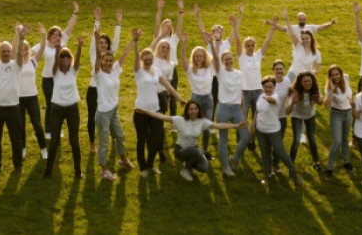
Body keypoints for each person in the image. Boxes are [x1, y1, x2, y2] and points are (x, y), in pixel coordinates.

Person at [137, 101, 246, 181]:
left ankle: (188, 165)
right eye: (191, 109)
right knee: (198, 152)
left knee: (204, 167)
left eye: (195, 109)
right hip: (180, 150)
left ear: (198, 110)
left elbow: (218, 125)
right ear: (187, 111)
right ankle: (185, 169)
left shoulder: (202, 121)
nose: (193, 111)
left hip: (193, 150)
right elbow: (161, 117)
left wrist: (236, 125)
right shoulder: (180, 120)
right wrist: (145, 111)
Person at [133, 33, 185, 177]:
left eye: (151, 60)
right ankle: (143, 168)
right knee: (142, 140)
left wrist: (180, 99)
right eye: (146, 59)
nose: (149, 61)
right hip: (141, 111)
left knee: (157, 138)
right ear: (142, 59)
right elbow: (136, 58)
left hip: (156, 111)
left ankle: (150, 165)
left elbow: (169, 86)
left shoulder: (156, 71)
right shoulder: (138, 72)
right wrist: (136, 41)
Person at [90, 19, 136, 181]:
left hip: (113, 110)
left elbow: (124, 54)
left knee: (120, 136)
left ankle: (123, 161)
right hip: (103, 114)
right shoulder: (98, 74)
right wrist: (96, 39)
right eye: (106, 61)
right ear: (102, 61)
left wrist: (133, 39)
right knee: (103, 142)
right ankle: (104, 170)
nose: (108, 63)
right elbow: (96, 58)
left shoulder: (115, 69)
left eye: (110, 60)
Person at [0, 16, 26, 175]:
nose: (6, 53)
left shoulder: (16, 65)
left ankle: (18, 166)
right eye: (3, 51)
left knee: (16, 139)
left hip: (13, 108)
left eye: (8, 51)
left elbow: (20, 53)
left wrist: (21, 37)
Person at [33, 2, 80, 138]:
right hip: (48, 80)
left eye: (58, 35)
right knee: (51, 105)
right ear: (49, 37)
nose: (56, 37)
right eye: (53, 35)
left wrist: (75, 12)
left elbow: (70, 27)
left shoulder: (63, 41)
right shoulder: (43, 46)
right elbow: (29, 53)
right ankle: (48, 130)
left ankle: (57, 129)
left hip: (61, 79)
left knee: (58, 105)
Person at [43, 33, 85, 179]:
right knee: (54, 141)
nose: (65, 59)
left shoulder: (73, 71)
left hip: (73, 109)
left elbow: (78, 60)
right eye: (62, 57)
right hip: (57, 110)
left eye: (67, 56)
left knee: (74, 141)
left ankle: (78, 171)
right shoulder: (55, 72)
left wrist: (79, 48)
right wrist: (58, 49)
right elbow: (55, 61)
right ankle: (48, 170)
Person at [210, 32, 252, 177]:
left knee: (246, 138)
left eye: (230, 59)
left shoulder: (239, 73)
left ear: (233, 60)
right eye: (225, 60)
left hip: (237, 109)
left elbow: (242, 94)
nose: (228, 61)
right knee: (224, 139)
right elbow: (215, 58)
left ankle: (234, 158)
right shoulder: (220, 72)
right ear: (222, 62)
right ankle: (225, 167)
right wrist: (212, 43)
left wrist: (243, 111)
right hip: (223, 109)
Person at [235, 11, 278, 151]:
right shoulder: (241, 57)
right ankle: (240, 142)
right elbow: (237, 40)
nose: (250, 47)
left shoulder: (258, 56)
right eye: (247, 45)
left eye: (252, 45)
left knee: (256, 118)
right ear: (244, 46)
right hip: (245, 93)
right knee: (242, 118)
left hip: (258, 92)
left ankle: (252, 141)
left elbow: (267, 42)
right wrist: (234, 27)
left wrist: (273, 27)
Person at [253, 76, 302, 186]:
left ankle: (295, 175)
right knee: (265, 153)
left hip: (274, 131)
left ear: (274, 87)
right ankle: (267, 174)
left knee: (281, 153)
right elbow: (258, 111)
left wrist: (267, 97)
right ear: (263, 87)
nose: (268, 89)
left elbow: (272, 101)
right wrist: (253, 125)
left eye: (270, 87)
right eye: (266, 87)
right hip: (260, 130)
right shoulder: (260, 96)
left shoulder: (275, 97)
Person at [86, 7, 122, 147]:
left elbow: (117, 41)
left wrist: (118, 24)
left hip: (107, 90)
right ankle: (92, 142)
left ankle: (112, 137)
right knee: (92, 116)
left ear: (108, 45)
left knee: (110, 114)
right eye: (100, 42)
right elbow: (94, 36)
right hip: (93, 89)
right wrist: (97, 20)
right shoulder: (93, 53)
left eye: (105, 43)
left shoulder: (110, 55)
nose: (102, 44)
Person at [18, 25, 49, 162]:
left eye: (26, 49)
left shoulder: (33, 61)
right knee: (21, 125)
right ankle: (23, 148)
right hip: (18, 98)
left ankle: (43, 149)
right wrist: (19, 35)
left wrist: (43, 35)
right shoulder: (15, 63)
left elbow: (42, 49)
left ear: (28, 50)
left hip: (32, 97)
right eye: (21, 49)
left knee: (37, 124)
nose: (24, 51)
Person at [287, 71, 322, 170]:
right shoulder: (296, 92)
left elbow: (320, 103)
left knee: (312, 139)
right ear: (300, 83)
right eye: (305, 82)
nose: (307, 83)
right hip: (297, 116)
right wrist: (293, 102)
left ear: (312, 81)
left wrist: (317, 99)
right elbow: (287, 112)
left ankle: (316, 162)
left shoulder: (315, 89)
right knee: (296, 140)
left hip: (310, 116)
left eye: (309, 81)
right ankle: (291, 163)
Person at [322, 64, 353, 176]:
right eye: (333, 75)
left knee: (345, 139)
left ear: (341, 73)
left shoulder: (346, 78)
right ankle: (329, 168)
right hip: (336, 115)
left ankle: (347, 162)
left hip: (348, 113)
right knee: (337, 142)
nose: (335, 77)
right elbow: (326, 106)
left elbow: (349, 96)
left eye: (337, 74)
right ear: (329, 77)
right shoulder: (328, 88)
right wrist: (331, 90)